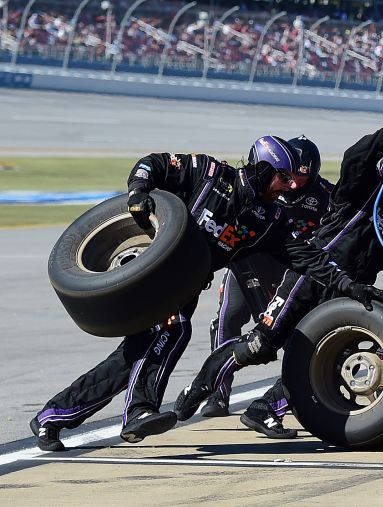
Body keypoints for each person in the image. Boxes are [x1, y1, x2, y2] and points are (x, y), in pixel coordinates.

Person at [171, 118, 383, 424]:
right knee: (260, 345)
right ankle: (197, 389)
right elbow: (356, 157)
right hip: (309, 281)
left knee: (321, 357)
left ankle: (264, 410)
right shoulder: (361, 191)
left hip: (344, 293)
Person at [30, 135, 310, 452]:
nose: (290, 186)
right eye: (283, 177)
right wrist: (138, 192)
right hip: (152, 279)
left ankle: (51, 416)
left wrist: (341, 277)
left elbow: (303, 256)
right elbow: (153, 163)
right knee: (173, 329)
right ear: (263, 168)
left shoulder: (267, 219)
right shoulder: (209, 172)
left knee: (130, 361)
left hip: (185, 289)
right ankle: (138, 411)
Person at [201, 136, 333, 439]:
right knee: (226, 318)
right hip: (247, 260)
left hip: (289, 272)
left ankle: (287, 394)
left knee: (292, 335)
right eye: (289, 176)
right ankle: (217, 392)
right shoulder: (260, 187)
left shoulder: (327, 197)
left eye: (301, 177)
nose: (294, 185)